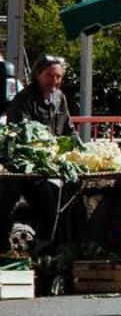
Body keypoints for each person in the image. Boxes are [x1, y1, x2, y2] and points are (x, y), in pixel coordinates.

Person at [1, 56, 69, 246]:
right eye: (49, 76)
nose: (54, 81)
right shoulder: (24, 99)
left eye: (58, 77)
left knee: (53, 210)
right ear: (38, 75)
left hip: (47, 167)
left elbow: (68, 130)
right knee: (5, 209)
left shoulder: (59, 97)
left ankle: (46, 251)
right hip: (23, 169)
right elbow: (18, 133)